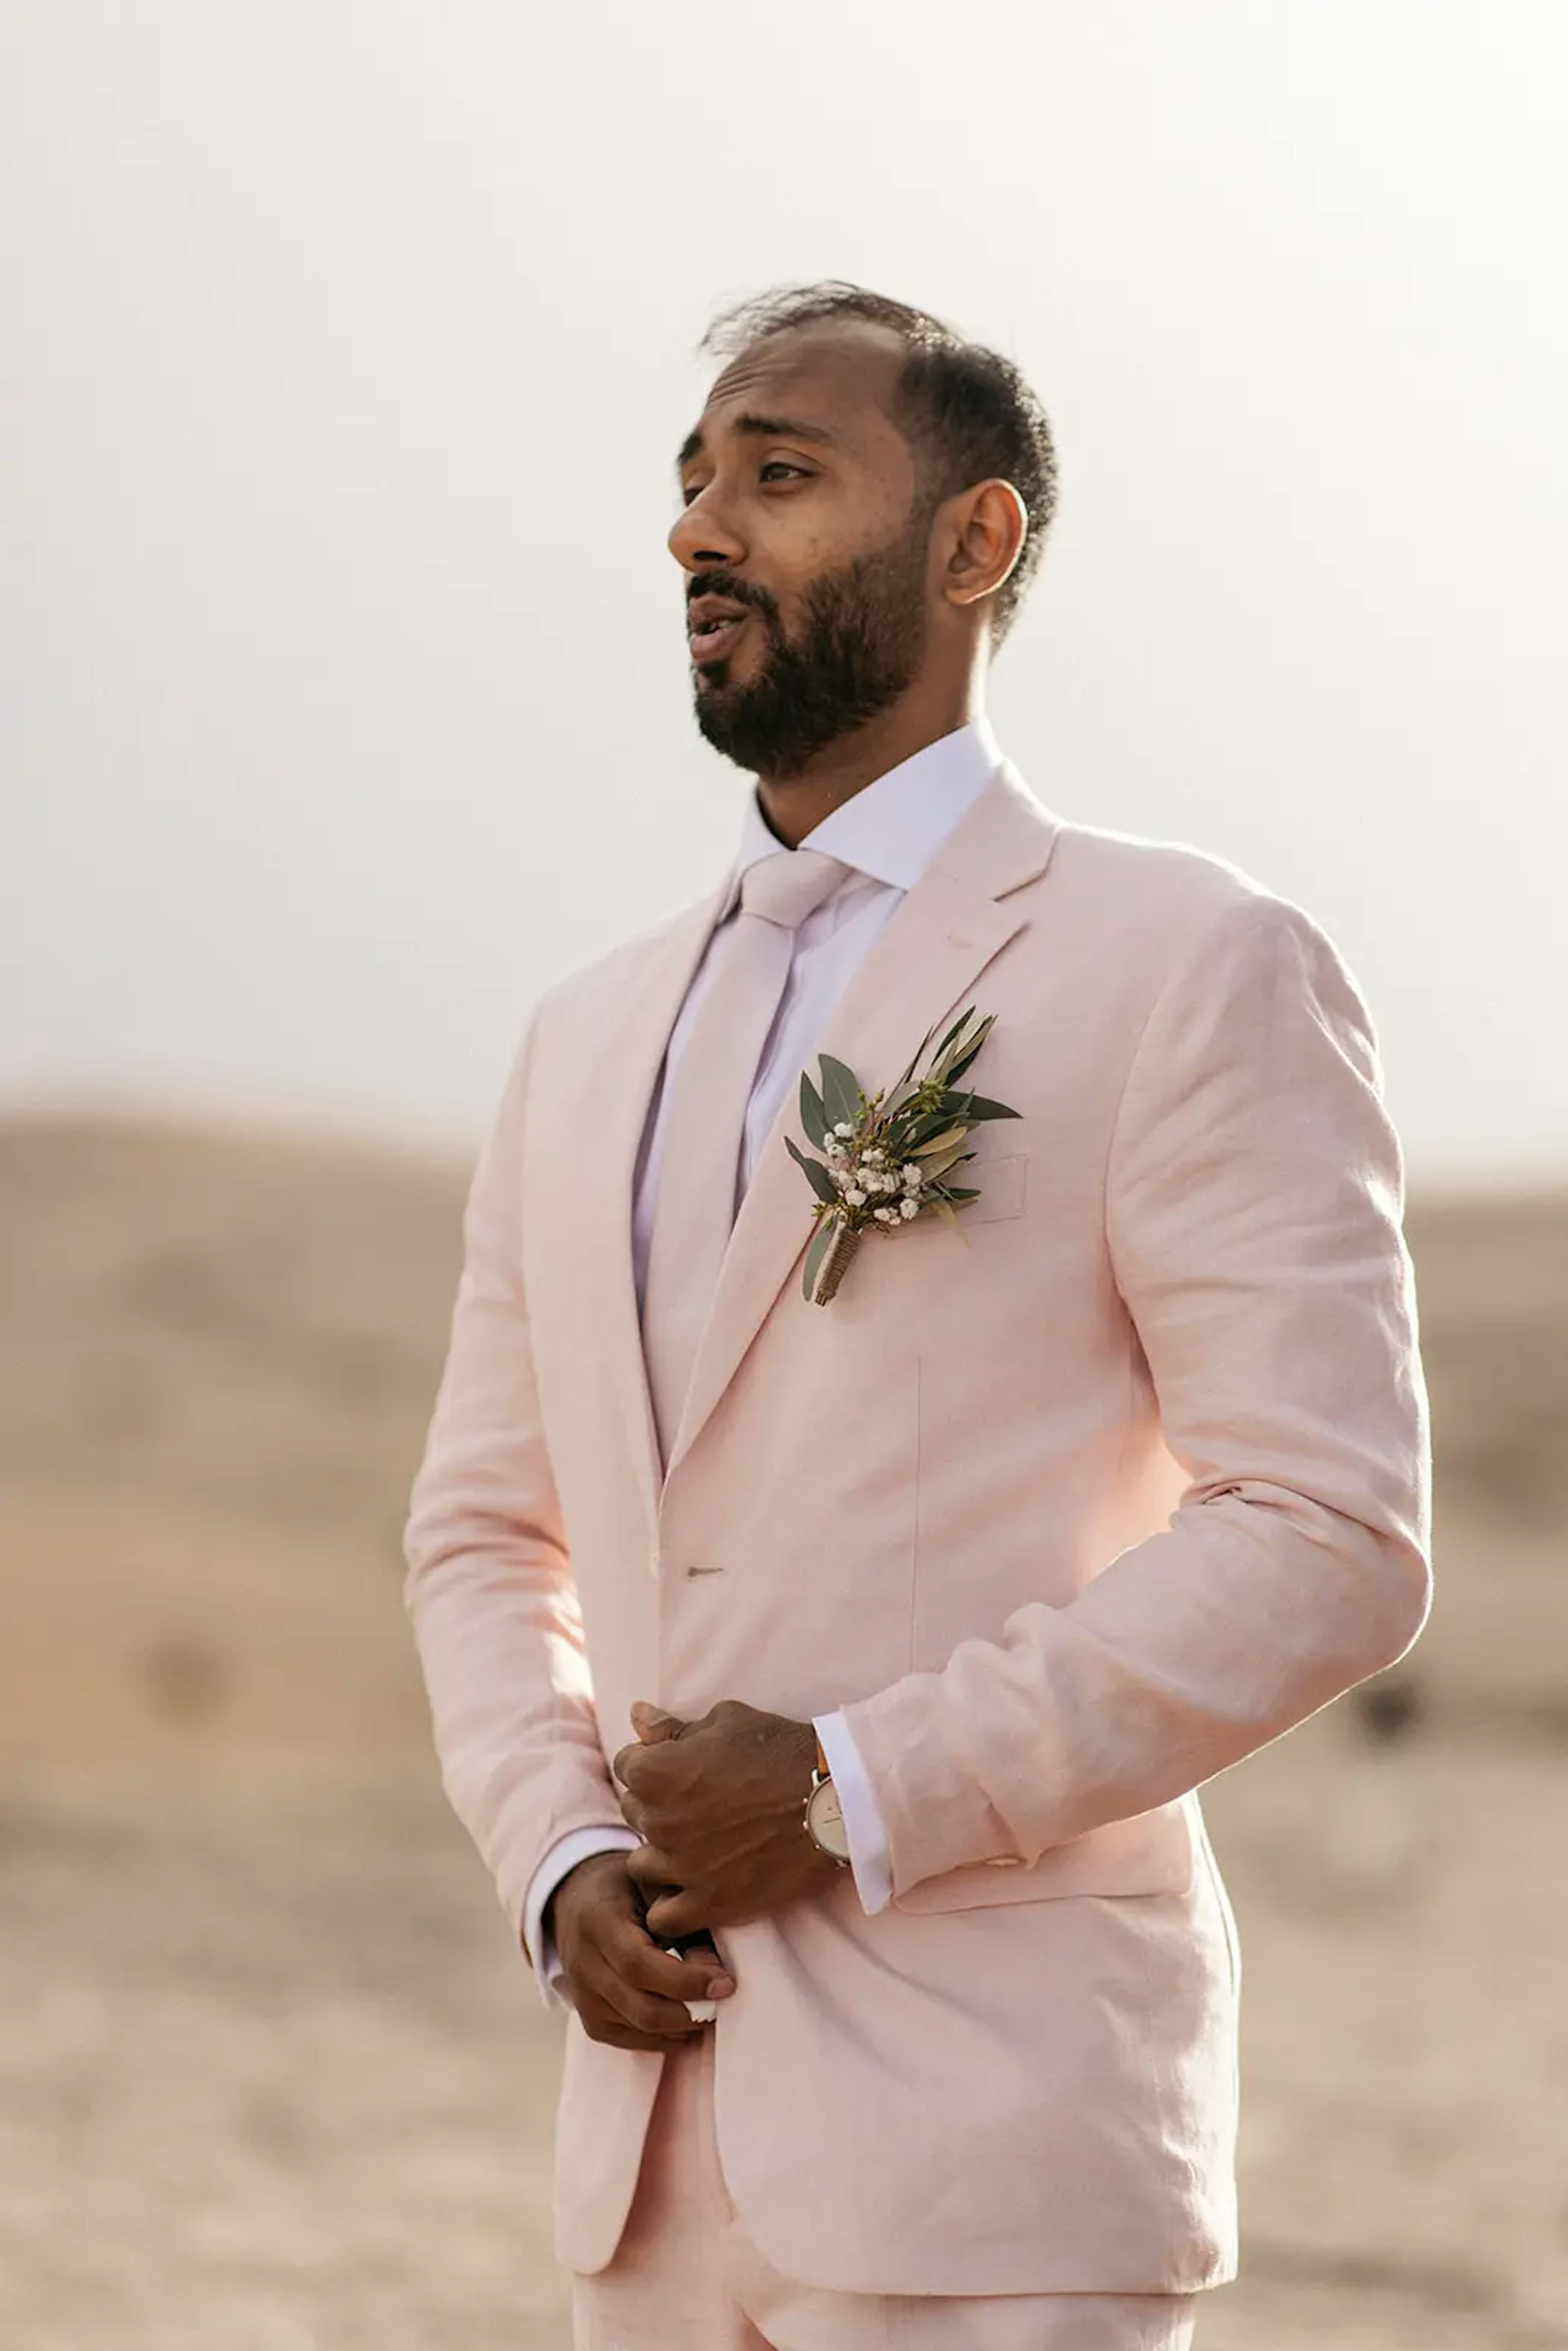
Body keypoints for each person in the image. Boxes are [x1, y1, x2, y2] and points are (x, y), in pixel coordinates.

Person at [403, 280, 1432, 2350]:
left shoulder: (1184, 963)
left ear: (974, 546)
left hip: (1008, 2133)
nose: (707, 530)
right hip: (653, 2155)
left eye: (783, 476)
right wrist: (556, 1852)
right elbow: (487, 1536)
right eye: (694, 486)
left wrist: (859, 1787)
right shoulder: (583, 1036)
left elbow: (1330, 1533)